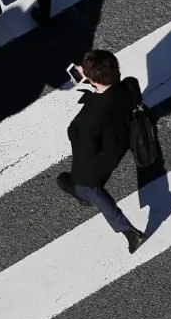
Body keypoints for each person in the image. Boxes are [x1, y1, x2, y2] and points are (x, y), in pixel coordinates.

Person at [55, 50, 147, 253]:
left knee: (82, 186)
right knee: (77, 185)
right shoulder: (129, 85)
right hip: (122, 139)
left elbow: (81, 145)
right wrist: (93, 86)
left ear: (91, 79)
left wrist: (91, 90)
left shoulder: (88, 120)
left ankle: (128, 231)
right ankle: (84, 196)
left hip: (99, 158)